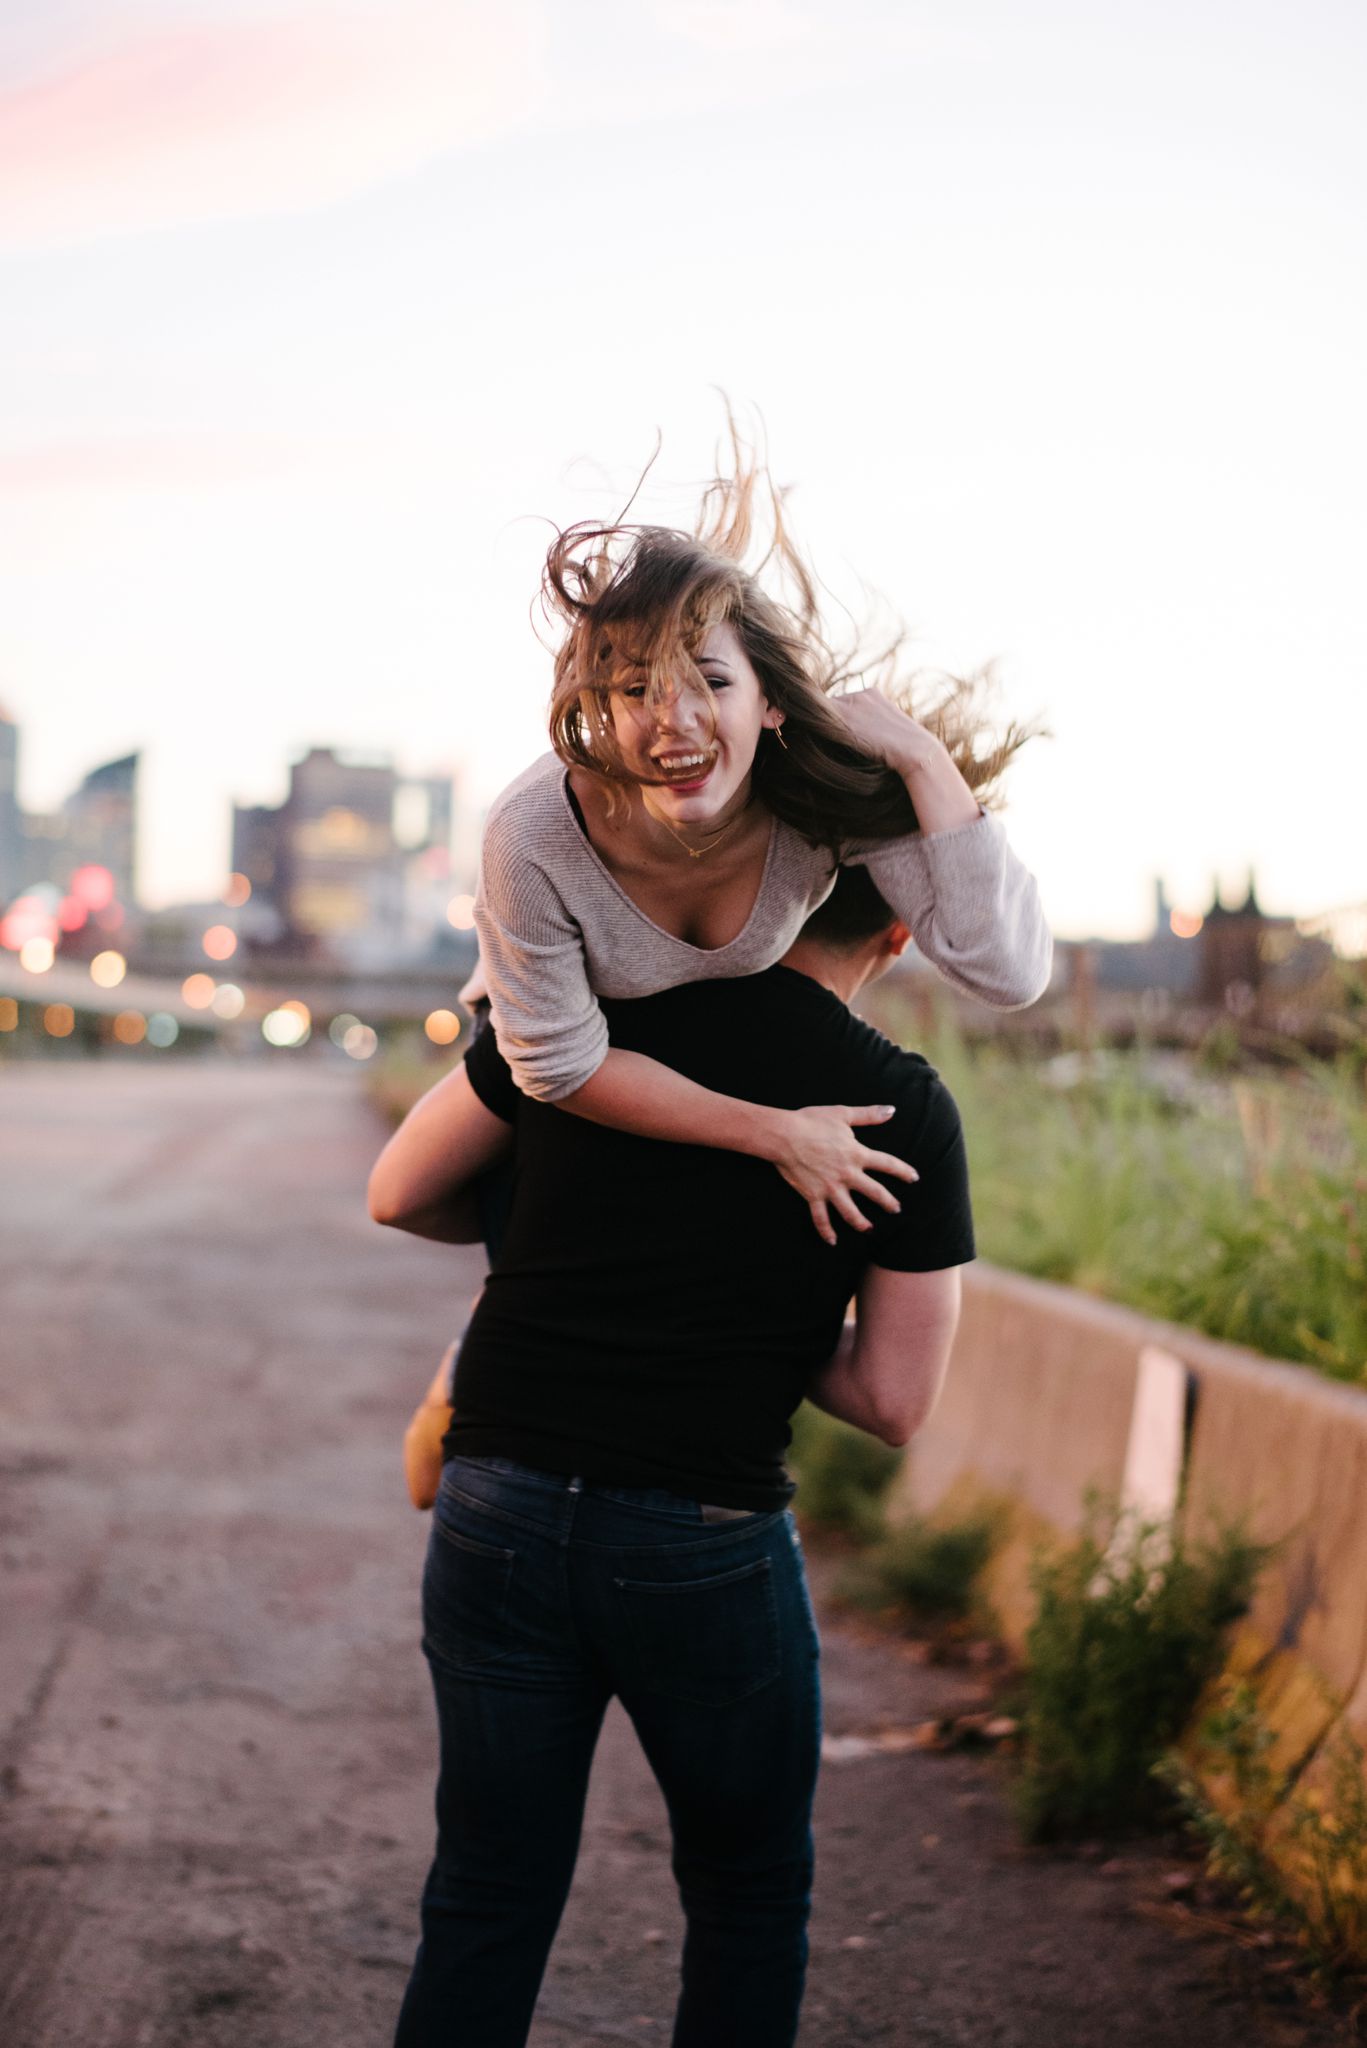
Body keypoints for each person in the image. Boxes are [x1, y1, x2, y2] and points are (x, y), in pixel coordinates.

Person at [370, 866, 978, 2048]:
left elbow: (399, 1192)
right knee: (746, 1894)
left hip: (495, 1496)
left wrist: (556, 1263)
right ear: (895, 933)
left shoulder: (580, 1027)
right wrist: (757, 1317)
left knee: (486, 1891)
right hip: (699, 1534)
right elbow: (894, 1398)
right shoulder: (898, 1102)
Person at [471, 440, 1051, 1245]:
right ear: (603, 710)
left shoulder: (817, 799)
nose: (675, 719)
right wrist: (777, 1133)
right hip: (553, 1052)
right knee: (408, 1200)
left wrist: (923, 759)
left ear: (770, 702)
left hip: (696, 1058)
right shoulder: (532, 831)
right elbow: (557, 1066)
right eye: (638, 689)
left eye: (710, 681)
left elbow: (1005, 972)